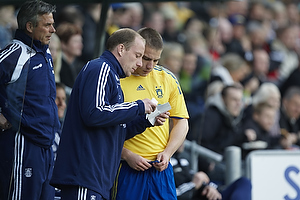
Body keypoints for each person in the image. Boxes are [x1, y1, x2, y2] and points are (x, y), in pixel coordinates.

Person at [50, 28, 168, 200]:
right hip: (84, 177)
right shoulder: (101, 68)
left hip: (97, 181)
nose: (140, 64)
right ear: (121, 49)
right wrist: (138, 106)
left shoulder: (113, 77)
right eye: (137, 56)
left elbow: (116, 130)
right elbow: (94, 113)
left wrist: (146, 120)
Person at [111, 27, 189, 200]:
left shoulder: (167, 78)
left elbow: (182, 122)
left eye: (156, 60)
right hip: (127, 167)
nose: (150, 66)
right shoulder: (117, 78)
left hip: (160, 169)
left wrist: (168, 153)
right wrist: (126, 155)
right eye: (146, 58)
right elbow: (105, 127)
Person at [0, 1, 60, 199]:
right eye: (47, 25)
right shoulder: (14, 53)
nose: (53, 29)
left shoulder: (46, 52)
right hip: (22, 143)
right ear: (29, 26)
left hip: (46, 144)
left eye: (53, 24)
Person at [172, 143, 252, 200]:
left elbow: (200, 182)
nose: (183, 140)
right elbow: (171, 195)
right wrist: (194, 184)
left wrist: (210, 188)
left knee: (244, 182)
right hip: (192, 196)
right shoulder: (163, 165)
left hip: (207, 195)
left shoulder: (183, 161)